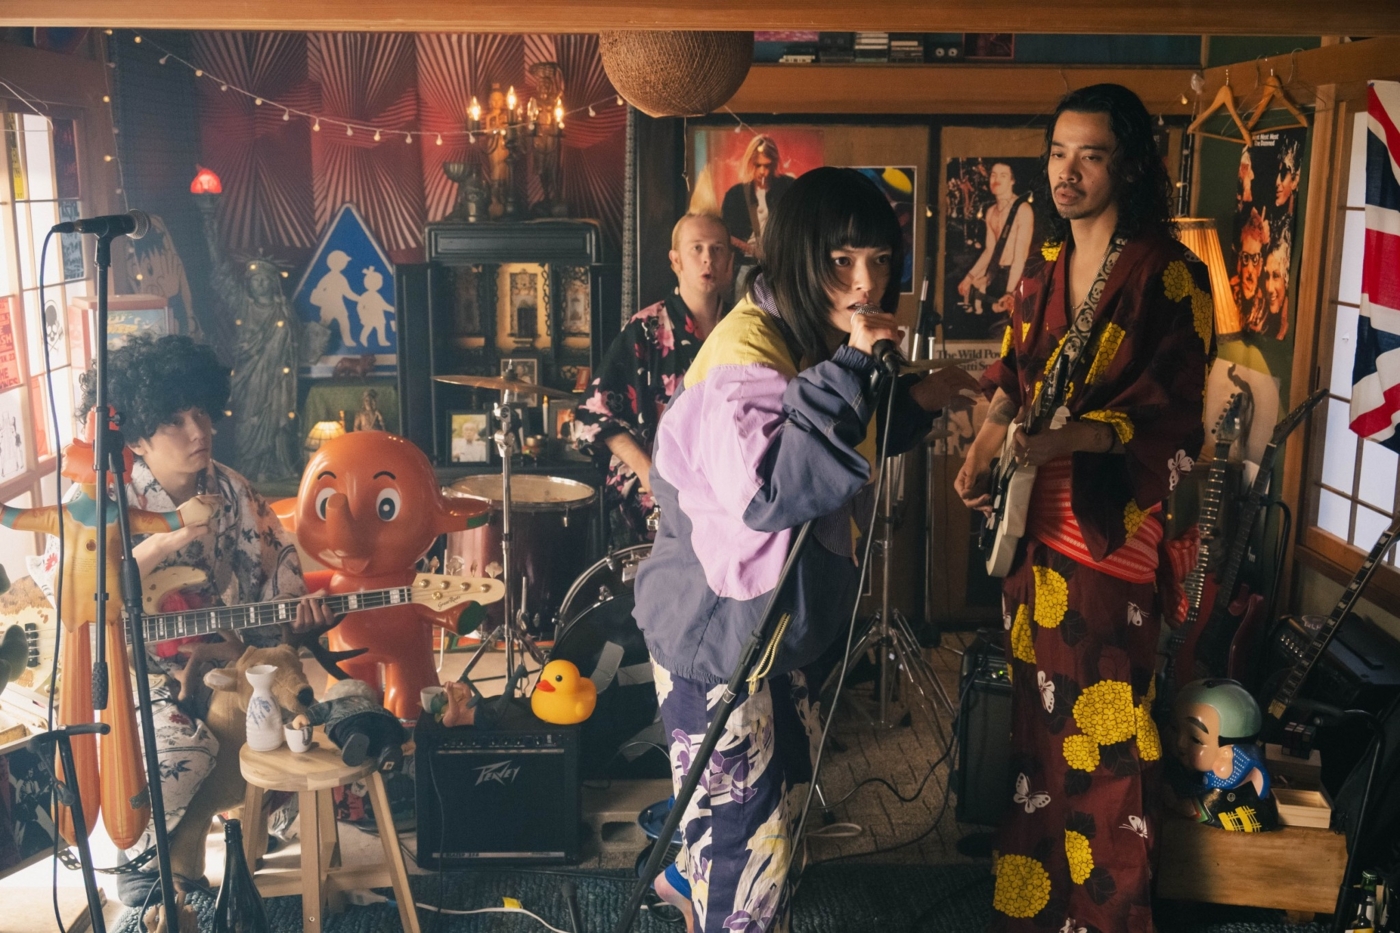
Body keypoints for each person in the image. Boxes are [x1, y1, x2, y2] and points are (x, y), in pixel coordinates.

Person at [634, 167, 979, 933]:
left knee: (779, 797)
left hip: (764, 629)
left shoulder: (800, 329)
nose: (866, 283)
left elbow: (838, 433)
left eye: (879, 260)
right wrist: (854, 364)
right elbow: (772, 486)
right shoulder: (745, 354)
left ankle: (687, 878)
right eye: (841, 261)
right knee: (748, 853)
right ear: (797, 254)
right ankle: (710, 892)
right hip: (714, 636)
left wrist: (930, 391)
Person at [954, 84, 1213, 933]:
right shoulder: (1046, 262)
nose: (1067, 172)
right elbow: (1012, 374)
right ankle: (1037, 910)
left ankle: (1106, 919)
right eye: (1059, 153)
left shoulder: (1171, 273)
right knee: (1036, 734)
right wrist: (983, 447)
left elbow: (1173, 413)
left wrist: (1068, 439)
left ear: (1129, 166)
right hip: (1032, 531)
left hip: (1107, 536)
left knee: (1105, 742)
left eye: (1090, 156)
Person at [70, 334, 331, 902]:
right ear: (136, 437)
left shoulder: (232, 492)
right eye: (175, 421)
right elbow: (68, 591)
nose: (198, 431)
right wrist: (166, 541)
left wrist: (297, 625)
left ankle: (251, 818)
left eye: (202, 413)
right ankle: (145, 860)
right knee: (184, 756)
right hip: (122, 677)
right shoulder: (99, 498)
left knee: (291, 725)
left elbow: (273, 586)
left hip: (214, 660)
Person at [574, 212, 736, 543]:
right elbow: (596, 414)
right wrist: (651, 476)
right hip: (653, 499)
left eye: (717, 249)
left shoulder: (741, 329)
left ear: (730, 263)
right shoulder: (646, 328)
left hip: (724, 500)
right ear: (675, 261)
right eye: (696, 248)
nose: (708, 258)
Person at [958, 161, 1035, 317]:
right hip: (996, 276)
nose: (996, 180)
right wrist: (969, 278)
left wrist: (1010, 293)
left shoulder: (1023, 210)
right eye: (993, 175)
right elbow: (990, 251)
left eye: (1003, 175)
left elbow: (1020, 258)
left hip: (1016, 278)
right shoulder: (991, 211)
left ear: (1012, 181)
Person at [721, 135, 796, 259]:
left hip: (782, 260)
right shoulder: (735, 195)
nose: (762, 171)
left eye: (767, 166)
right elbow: (725, 235)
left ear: (774, 163)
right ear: (749, 162)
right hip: (745, 262)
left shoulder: (788, 187)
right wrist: (750, 250)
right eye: (757, 165)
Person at [1232, 207, 1269, 337]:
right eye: (1245, 258)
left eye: (1255, 259)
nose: (1250, 268)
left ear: (1261, 265)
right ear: (1239, 263)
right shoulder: (1228, 298)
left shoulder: (1264, 308)